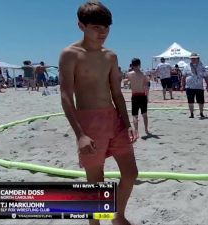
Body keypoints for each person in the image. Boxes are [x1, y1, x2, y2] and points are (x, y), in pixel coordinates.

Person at [59, 2, 137, 225]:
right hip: (89, 120)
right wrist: (80, 134)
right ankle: (96, 222)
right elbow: (66, 95)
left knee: (131, 173)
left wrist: (127, 121)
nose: (102, 33)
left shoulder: (110, 56)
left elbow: (117, 93)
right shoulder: (70, 54)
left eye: (106, 28)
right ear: (81, 26)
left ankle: (118, 216)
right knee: (96, 182)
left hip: (114, 118)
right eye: (96, 27)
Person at [181, 53, 208, 118]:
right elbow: (183, 77)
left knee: (201, 101)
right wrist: (182, 86)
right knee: (190, 101)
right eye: (192, 58)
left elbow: (206, 76)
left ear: (197, 58)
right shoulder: (186, 66)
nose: (193, 59)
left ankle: (201, 113)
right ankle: (191, 114)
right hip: (189, 87)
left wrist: (207, 85)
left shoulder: (202, 66)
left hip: (199, 87)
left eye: (194, 58)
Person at [127, 58, 150, 138]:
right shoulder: (143, 75)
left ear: (132, 65)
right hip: (142, 95)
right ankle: (146, 130)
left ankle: (136, 132)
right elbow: (146, 87)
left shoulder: (129, 74)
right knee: (144, 114)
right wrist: (147, 96)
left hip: (134, 95)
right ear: (140, 65)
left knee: (135, 115)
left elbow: (126, 82)